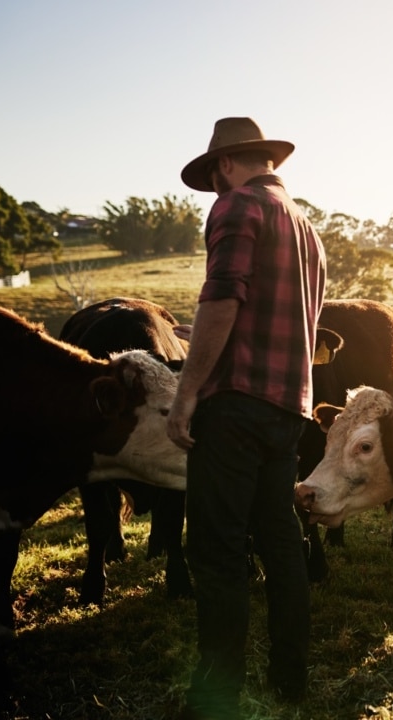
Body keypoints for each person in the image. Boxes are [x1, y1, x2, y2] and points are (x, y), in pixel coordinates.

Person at [168, 117, 326, 720]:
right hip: (290, 406)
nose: (213, 189)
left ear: (227, 164)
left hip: (233, 403)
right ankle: (290, 679)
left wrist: (187, 394)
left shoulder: (237, 207)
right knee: (282, 542)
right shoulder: (308, 227)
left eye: (213, 177)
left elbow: (224, 294)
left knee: (216, 549)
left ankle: (217, 693)